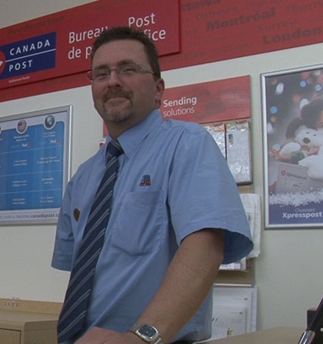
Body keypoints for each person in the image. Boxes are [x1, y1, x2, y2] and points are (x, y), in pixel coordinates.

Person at [52, 26, 253, 344]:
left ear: (159, 90)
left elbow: (206, 245)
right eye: (101, 73)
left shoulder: (187, 144)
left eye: (128, 69)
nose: (113, 81)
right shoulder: (83, 177)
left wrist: (141, 337)